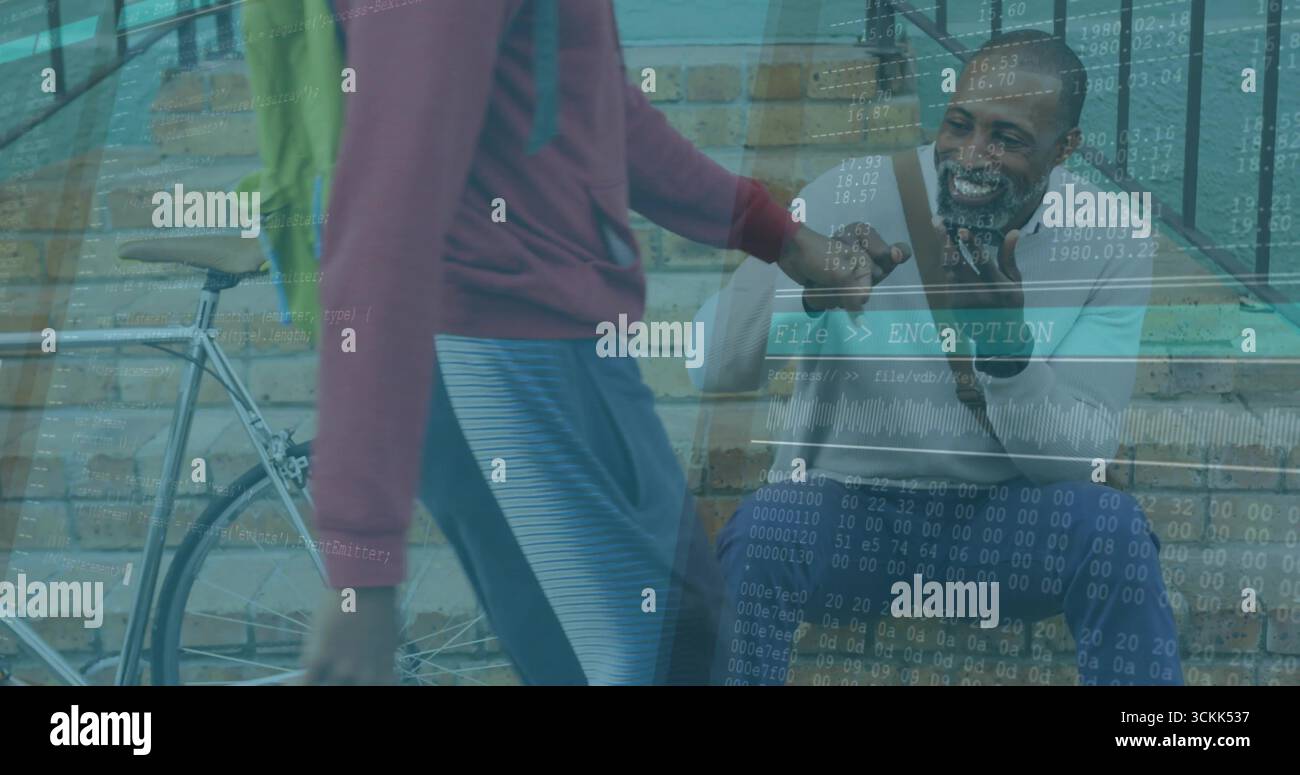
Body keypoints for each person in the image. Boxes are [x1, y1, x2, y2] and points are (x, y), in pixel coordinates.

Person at [299, 0, 877, 685]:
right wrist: (361, 567)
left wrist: (783, 238)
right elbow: (384, 217)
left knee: (698, 649)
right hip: (492, 360)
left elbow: (599, 113)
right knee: (644, 664)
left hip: (577, 352)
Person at [693, 30, 1183, 685]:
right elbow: (708, 362)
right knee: (764, 530)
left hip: (1002, 523)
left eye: (1007, 138)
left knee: (1112, 530)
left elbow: (1079, 458)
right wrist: (807, 290)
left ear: (1065, 148)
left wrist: (1008, 356)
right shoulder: (849, 193)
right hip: (849, 511)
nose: (970, 156)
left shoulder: (1111, 236)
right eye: (959, 124)